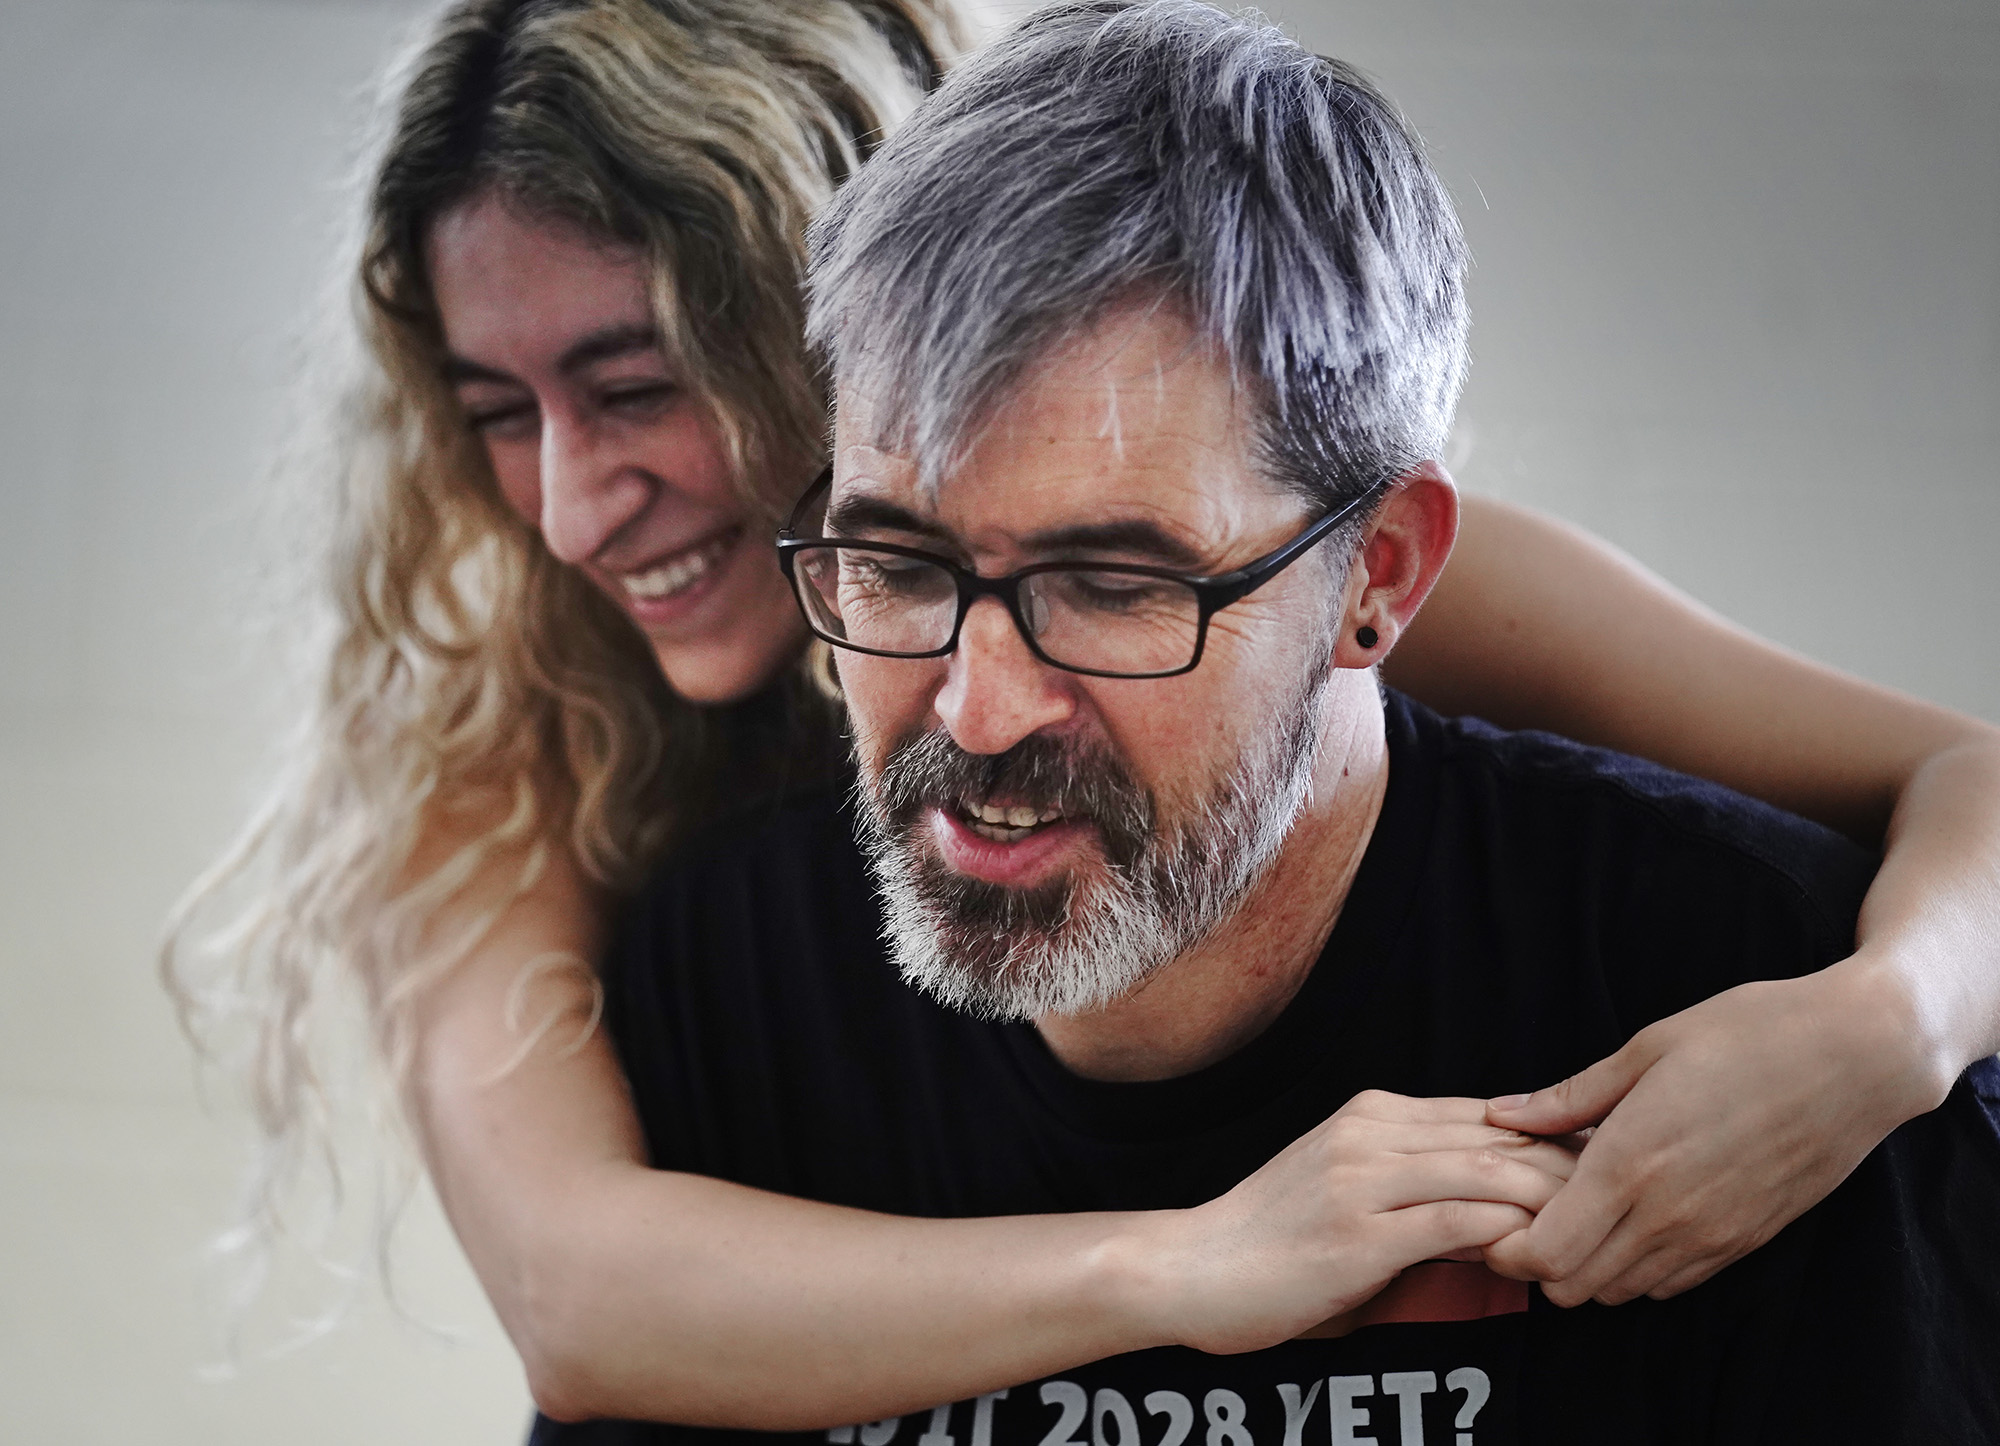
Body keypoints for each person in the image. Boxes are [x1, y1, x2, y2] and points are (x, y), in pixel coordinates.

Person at [159, 0, 2000, 1432]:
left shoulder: (1333, 557)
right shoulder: (527, 772)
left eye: (634, 383)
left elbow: (1955, 771)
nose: (566, 506)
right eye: (496, 408)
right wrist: (1190, 1266)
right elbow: (583, 1301)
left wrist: (1884, 1023)